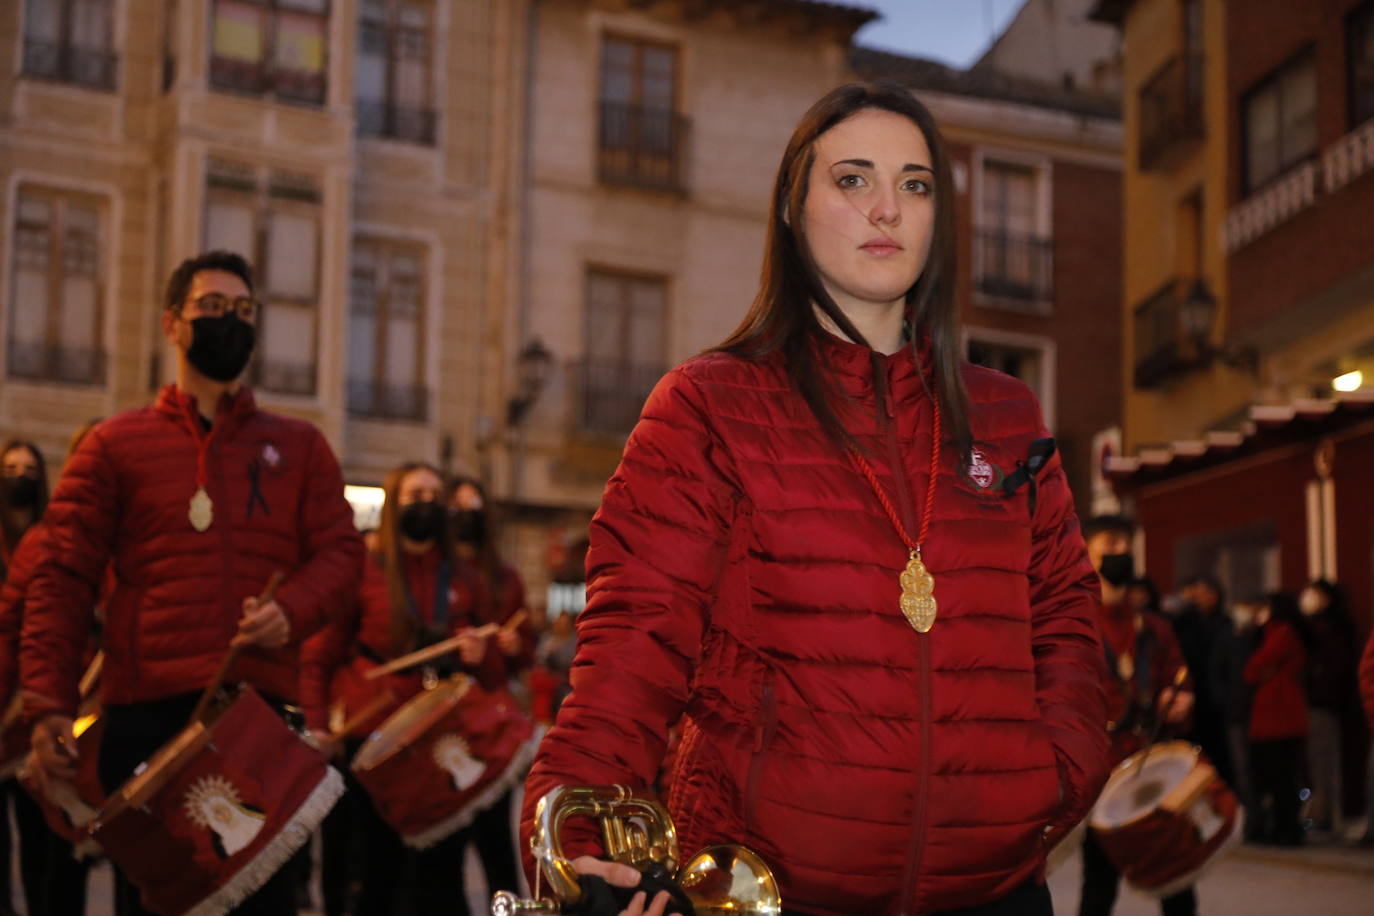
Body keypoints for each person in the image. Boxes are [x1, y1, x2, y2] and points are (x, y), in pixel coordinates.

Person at [521, 82, 1110, 916]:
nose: (887, 210)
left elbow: (1067, 623)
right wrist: (574, 845)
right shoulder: (707, 407)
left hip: (998, 894)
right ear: (792, 210)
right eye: (852, 180)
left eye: (915, 184)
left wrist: (1048, 782)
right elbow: (630, 656)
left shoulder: (1007, 416)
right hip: (771, 896)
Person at [22, 250, 364, 915]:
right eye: (211, 307)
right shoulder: (113, 446)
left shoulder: (302, 448)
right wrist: (48, 706)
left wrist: (291, 610)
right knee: (159, 901)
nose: (228, 322)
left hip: (261, 717)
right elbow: (62, 576)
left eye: (243, 311)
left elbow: (342, 557)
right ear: (171, 325)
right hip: (147, 719)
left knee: (268, 902)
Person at [302, 461, 508, 915]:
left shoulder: (463, 578)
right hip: (373, 746)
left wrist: (481, 654)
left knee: (441, 877)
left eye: (435, 495)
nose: (427, 505)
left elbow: (492, 676)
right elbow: (318, 657)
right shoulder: (362, 570)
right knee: (375, 877)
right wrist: (317, 726)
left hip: (439, 746)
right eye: (415, 496)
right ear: (395, 505)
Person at [1077, 516, 1196, 916]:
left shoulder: (1155, 626)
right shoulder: (1075, 625)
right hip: (1103, 771)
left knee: (1176, 878)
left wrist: (1178, 702)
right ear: (1086, 555)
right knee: (1099, 885)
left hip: (1154, 764)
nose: (1120, 554)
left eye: (1125, 546)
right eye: (1109, 547)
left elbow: (1178, 679)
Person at [447, 475, 533, 903]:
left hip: (490, 721)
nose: (468, 517)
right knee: (447, 846)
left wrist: (516, 648)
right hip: (448, 724)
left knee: (496, 837)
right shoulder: (438, 579)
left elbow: (526, 649)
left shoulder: (504, 579)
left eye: (475, 507)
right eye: (459, 507)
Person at [0, 440, 51, 916]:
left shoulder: (50, 542)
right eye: (11, 467)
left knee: (43, 849)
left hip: (35, 713)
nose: (19, 475)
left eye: (29, 468)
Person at [1244, 592, 1309, 846]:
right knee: (1282, 776)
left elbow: (1253, 669)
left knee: (1278, 776)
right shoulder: (1285, 633)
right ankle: (1283, 827)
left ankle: (1285, 829)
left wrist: (1262, 671)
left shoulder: (1281, 633)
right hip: (1282, 714)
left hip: (1277, 715)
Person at [1297, 579, 1358, 837]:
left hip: (1323, 703)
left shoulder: (1332, 629)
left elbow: (1334, 668)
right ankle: (1319, 812)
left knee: (1324, 763)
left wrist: (1315, 687)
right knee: (1314, 763)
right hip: (1315, 703)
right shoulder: (1313, 628)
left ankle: (1327, 816)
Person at [1172, 575, 1234, 788]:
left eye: (1203, 593)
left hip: (1216, 701)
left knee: (1221, 756)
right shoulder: (1189, 624)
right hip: (1195, 697)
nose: (1198, 599)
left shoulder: (1224, 624)